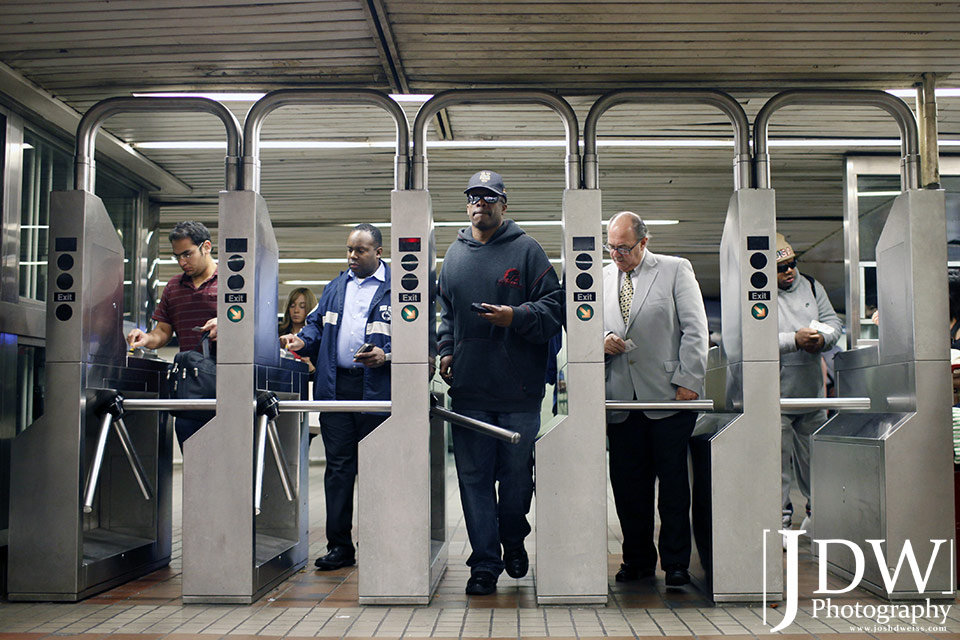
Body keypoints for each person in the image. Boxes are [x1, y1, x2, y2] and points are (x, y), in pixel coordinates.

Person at [437, 170, 563, 596]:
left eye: (490, 198)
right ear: (467, 204)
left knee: (514, 480)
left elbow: (554, 309)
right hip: (469, 390)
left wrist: (515, 317)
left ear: (504, 205)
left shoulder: (527, 251)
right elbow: (446, 314)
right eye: (474, 196)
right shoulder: (453, 255)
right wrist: (447, 350)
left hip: (518, 392)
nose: (481, 204)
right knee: (473, 479)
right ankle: (485, 563)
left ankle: (513, 536)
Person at [602, 211, 708, 587]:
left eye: (624, 248)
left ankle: (676, 563)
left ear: (644, 243)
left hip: (669, 395)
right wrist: (601, 342)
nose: (617, 255)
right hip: (620, 401)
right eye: (611, 248)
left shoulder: (675, 269)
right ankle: (638, 560)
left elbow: (695, 328)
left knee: (674, 487)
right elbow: (585, 326)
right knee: (629, 487)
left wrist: (689, 381)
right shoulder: (600, 277)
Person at [280, 223, 391, 571]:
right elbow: (314, 326)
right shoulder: (335, 287)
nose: (352, 256)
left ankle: (379, 542)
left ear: (378, 252)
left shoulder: (398, 288)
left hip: (379, 388)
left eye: (359, 251)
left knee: (377, 468)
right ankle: (340, 546)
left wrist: (386, 356)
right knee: (339, 469)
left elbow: (419, 335)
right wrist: (301, 341)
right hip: (336, 387)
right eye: (349, 250)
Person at [127, 220, 218, 446]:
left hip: (229, 385)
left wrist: (230, 325)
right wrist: (146, 338)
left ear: (206, 246)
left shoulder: (233, 283)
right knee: (194, 461)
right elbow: (163, 332)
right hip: (190, 389)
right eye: (177, 256)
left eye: (187, 254)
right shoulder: (173, 287)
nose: (182, 262)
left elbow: (253, 326)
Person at [776, 233, 841, 532]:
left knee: (814, 461)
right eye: (781, 267)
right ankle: (780, 518)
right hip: (775, 395)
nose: (789, 271)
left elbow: (833, 323)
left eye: (792, 264)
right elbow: (748, 342)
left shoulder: (812, 286)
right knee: (777, 464)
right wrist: (794, 341)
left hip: (811, 392)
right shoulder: (757, 294)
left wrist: (822, 339)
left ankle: (820, 515)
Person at [278, 286, 318, 373]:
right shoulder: (278, 333)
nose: (296, 310)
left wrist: (311, 368)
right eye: (292, 306)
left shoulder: (316, 340)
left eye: (302, 307)